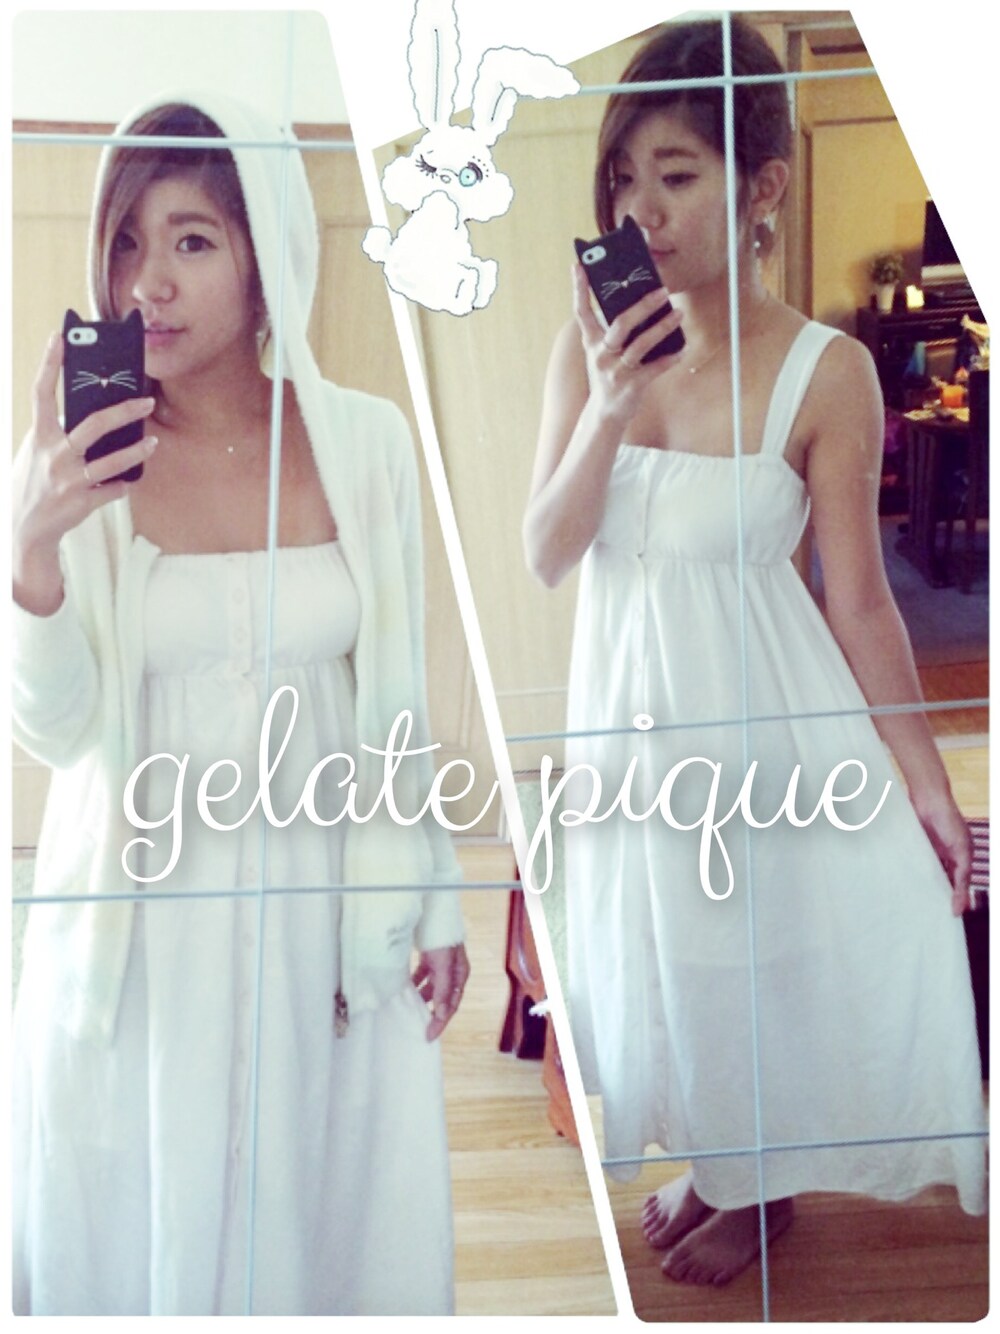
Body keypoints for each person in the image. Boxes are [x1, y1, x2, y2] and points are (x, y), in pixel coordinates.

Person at [523, 17, 986, 1290]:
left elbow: (861, 601)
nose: (641, 209)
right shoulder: (588, 348)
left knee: (750, 946)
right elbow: (546, 551)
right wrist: (612, 402)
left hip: (760, 720)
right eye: (624, 177)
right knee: (665, 948)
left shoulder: (827, 373)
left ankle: (762, 1188)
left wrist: (927, 780)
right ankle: (725, 1161)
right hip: (628, 721)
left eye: (676, 174)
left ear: (761, 185)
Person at [12, 92, 469, 1316]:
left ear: (267, 251)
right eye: (125, 242)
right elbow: (55, 730)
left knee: (314, 1194)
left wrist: (432, 892)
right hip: (143, 914)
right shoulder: (73, 455)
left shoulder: (365, 443)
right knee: (143, 1201)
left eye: (192, 240)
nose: (145, 282)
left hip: (320, 893)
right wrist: (35, 544)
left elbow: (392, 699)